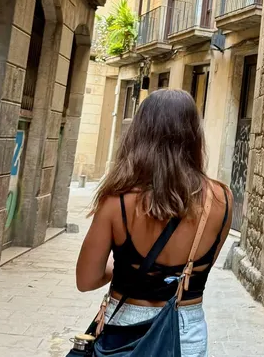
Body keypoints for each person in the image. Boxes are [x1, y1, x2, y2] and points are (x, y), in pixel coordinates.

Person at [75, 89, 232, 357]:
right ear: (194, 134)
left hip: (124, 333)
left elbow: (86, 280)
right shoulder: (221, 200)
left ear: (139, 133)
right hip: (185, 334)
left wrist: (124, 267)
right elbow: (196, 270)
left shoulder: (117, 202)